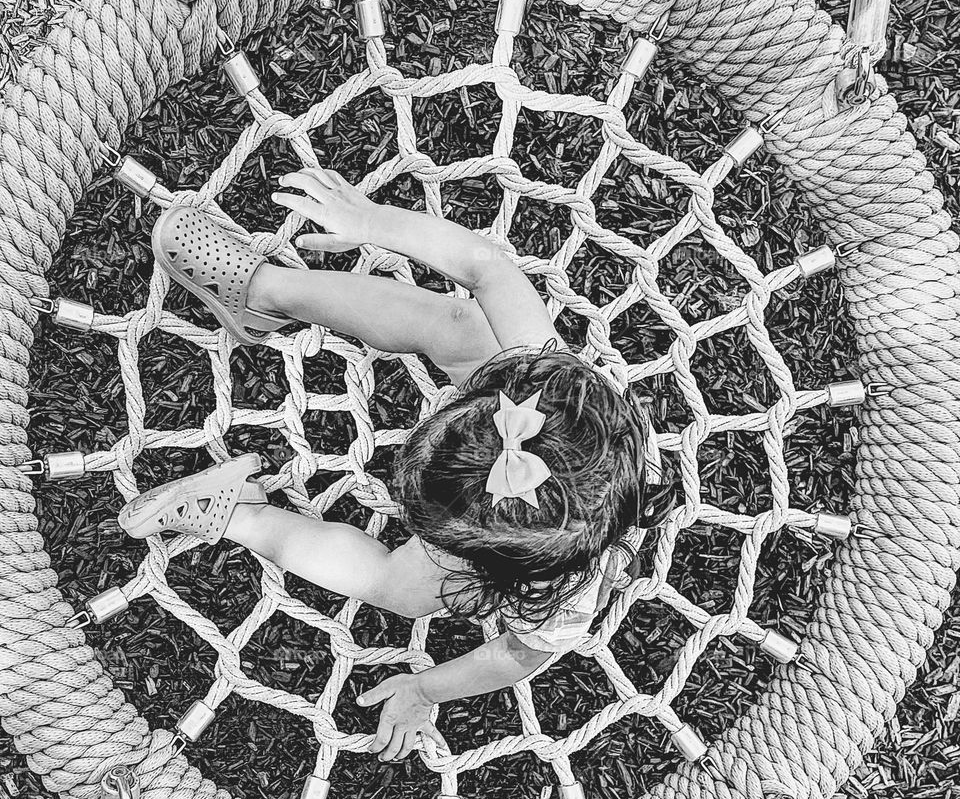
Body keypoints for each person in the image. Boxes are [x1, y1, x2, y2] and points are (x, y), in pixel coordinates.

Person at [119, 167, 673, 761]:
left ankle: (242, 516)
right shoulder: (541, 379)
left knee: (397, 586)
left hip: (508, 542)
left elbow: (518, 655)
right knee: (458, 322)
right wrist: (370, 223)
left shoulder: (558, 591)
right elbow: (485, 267)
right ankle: (264, 295)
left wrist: (423, 688)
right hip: (519, 470)